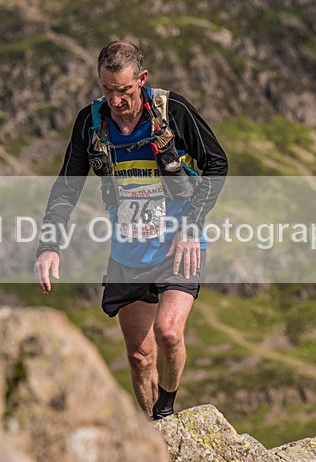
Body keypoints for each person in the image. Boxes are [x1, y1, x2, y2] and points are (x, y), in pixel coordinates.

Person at [34, 40, 227, 419]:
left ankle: (167, 410)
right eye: (107, 91)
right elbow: (66, 186)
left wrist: (191, 225)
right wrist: (49, 244)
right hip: (128, 249)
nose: (116, 101)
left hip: (178, 242)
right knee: (140, 357)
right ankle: (151, 427)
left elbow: (217, 164)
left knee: (169, 333)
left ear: (141, 79)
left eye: (123, 91)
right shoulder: (91, 123)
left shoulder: (173, 110)